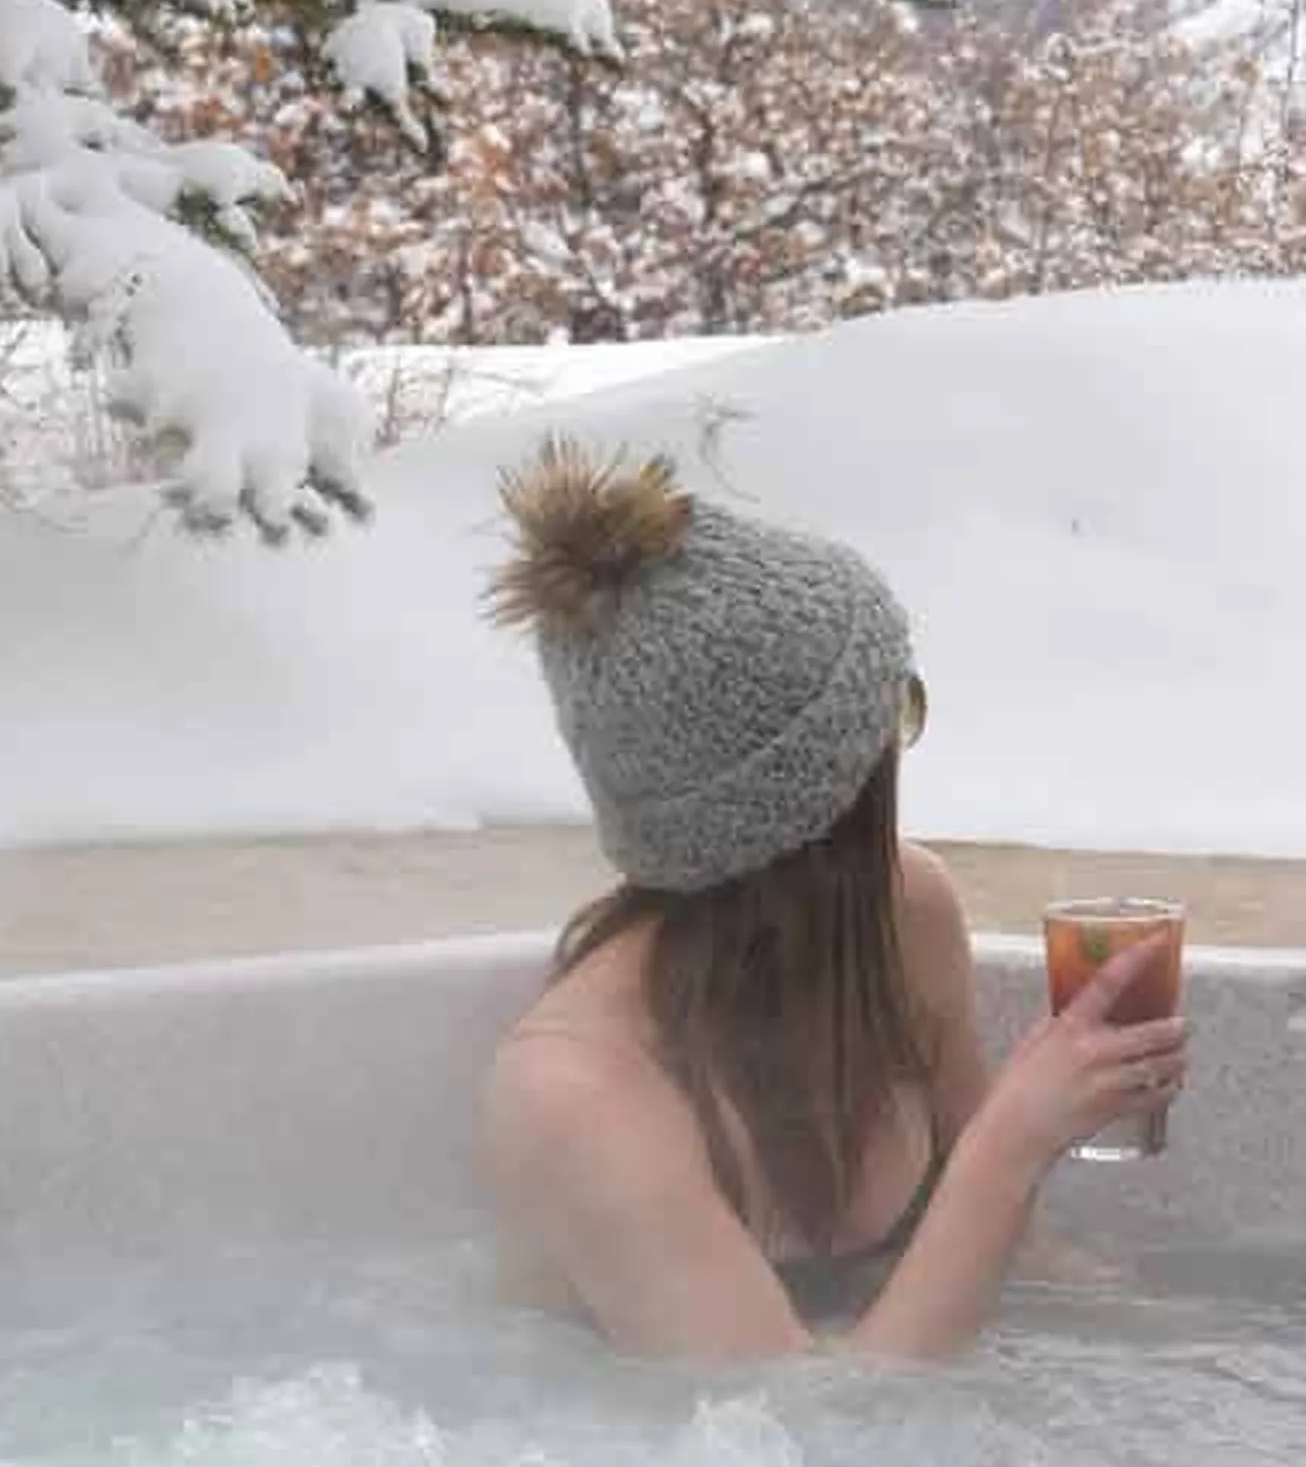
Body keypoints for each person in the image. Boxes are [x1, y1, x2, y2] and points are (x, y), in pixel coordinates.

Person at [475, 442, 1186, 1361]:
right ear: (811, 803)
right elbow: (806, 1439)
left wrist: (1183, 1347)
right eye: (891, 715)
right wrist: (1013, 1141)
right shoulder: (574, 1093)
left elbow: (1018, 1256)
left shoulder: (905, 916)